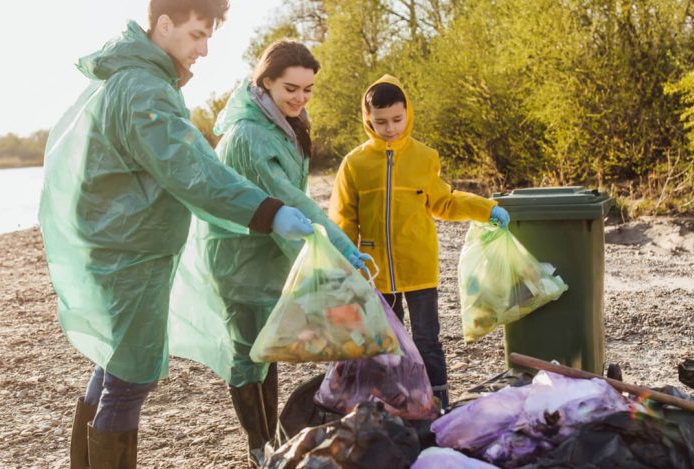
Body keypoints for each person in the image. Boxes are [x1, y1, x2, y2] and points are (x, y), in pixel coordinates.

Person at [38, 1, 316, 467]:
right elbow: (193, 171)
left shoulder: (133, 79)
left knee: (112, 363)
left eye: (209, 37)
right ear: (164, 24)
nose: (204, 49)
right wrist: (269, 212)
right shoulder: (143, 89)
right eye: (196, 35)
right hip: (131, 255)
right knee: (130, 378)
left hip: (123, 247)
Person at [167, 40, 370, 467]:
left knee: (267, 348)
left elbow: (292, 201)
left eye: (307, 89)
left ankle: (270, 440)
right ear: (266, 82)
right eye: (290, 88)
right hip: (238, 256)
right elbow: (291, 199)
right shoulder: (250, 135)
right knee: (248, 353)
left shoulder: (282, 121)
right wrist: (341, 248)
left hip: (268, 251)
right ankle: (258, 445)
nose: (300, 97)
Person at [329, 75, 510, 408]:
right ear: (367, 118)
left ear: (407, 113)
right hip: (375, 272)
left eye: (397, 119)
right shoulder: (354, 164)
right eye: (381, 121)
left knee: (427, 340)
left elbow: (445, 201)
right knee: (385, 344)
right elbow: (344, 218)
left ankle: (437, 403)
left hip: (420, 269)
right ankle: (395, 406)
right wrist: (344, 258)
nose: (391, 127)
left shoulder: (424, 157)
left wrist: (486, 209)